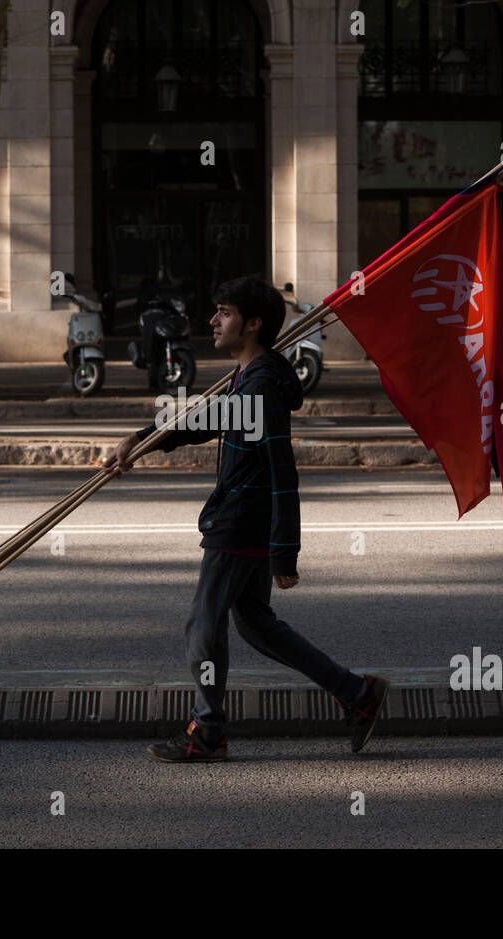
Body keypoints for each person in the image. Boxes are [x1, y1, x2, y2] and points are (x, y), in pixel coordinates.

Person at [104, 274, 388, 763]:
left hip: (239, 523)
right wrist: (143, 437)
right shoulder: (251, 376)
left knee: (201, 627)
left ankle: (207, 732)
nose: (213, 321)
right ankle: (358, 694)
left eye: (225, 313)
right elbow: (205, 419)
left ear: (253, 323)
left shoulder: (261, 385)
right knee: (257, 626)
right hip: (242, 519)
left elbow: (283, 472)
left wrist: (285, 551)